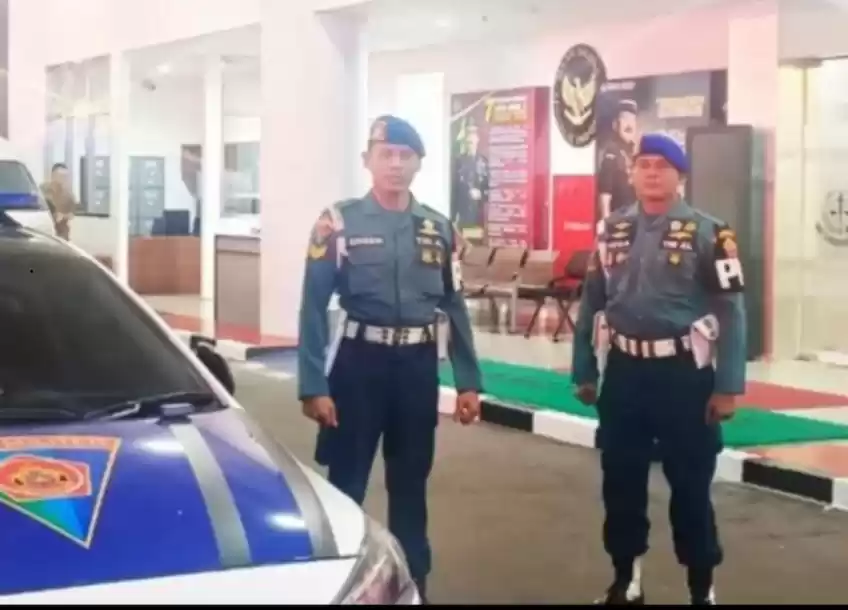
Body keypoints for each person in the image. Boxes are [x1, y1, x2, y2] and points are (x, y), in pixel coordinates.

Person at [297, 115, 484, 603]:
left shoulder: (439, 229)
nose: (396, 165)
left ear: (419, 163)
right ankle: (336, 587)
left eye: (406, 156)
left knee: (410, 487)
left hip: (416, 370)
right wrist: (313, 384)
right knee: (346, 485)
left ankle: (414, 587)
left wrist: (468, 381)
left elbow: (454, 306)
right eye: (387, 155)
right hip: (357, 367)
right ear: (368, 161)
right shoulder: (338, 223)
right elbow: (312, 305)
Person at [572, 133, 747, 606]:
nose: (651, 173)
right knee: (620, 482)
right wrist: (584, 369)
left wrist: (728, 386)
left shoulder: (711, 233)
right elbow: (593, 302)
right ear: (631, 173)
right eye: (643, 164)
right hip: (625, 374)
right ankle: (626, 581)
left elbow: (731, 311)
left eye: (662, 166)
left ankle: (701, 589)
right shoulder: (612, 229)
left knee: (690, 486)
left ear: (680, 176)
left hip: (684, 377)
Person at [597, 99, 639, 222]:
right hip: (619, 218)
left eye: (632, 120)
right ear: (615, 125)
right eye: (624, 119)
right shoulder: (612, 151)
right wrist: (606, 221)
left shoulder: (634, 151)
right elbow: (605, 192)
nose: (629, 125)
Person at [40, 162, 77, 241]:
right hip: (45, 232)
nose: (63, 179)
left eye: (65, 177)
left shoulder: (69, 195)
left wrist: (63, 216)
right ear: (53, 176)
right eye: (60, 176)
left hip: (61, 234)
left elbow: (71, 214)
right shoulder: (42, 190)